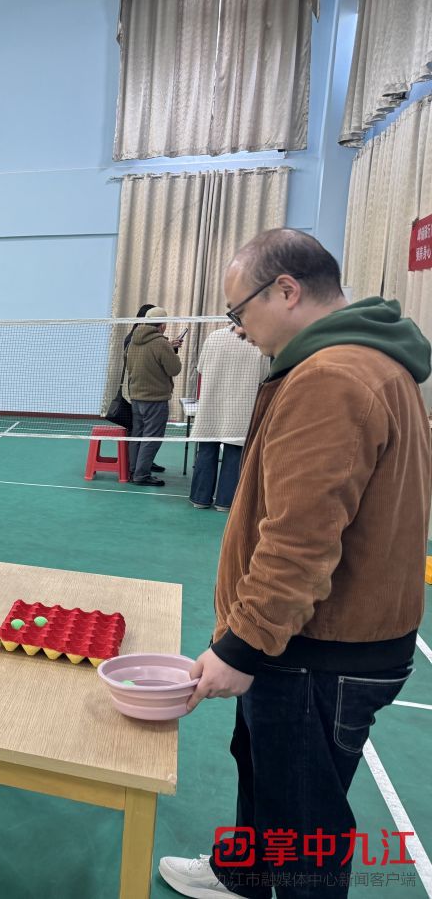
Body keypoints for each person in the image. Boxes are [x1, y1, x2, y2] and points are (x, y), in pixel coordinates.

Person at [158, 229, 430, 899]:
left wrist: (243, 645)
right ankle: (245, 874)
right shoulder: (368, 361)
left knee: (304, 817)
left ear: (285, 290)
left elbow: (299, 540)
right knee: (266, 770)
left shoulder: (332, 378)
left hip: (318, 648)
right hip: (318, 639)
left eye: (239, 310)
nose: (239, 329)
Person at [187, 324, 269, 511]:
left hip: (211, 405)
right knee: (234, 454)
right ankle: (225, 502)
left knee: (206, 451)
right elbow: (263, 375)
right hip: (241, 407)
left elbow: (201, 368)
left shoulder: (214, 336)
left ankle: (199, 499)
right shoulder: (258, 340)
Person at [125, 306, 182, 485]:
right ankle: (142, 475)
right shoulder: (160, 343)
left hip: (136, 397)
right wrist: (172, 351)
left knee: (137, 435)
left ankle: (133, 470)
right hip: (155, 399)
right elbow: (174, 369)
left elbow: (129, 365)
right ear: (162, 325)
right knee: (151, 438)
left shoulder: (132, 341)